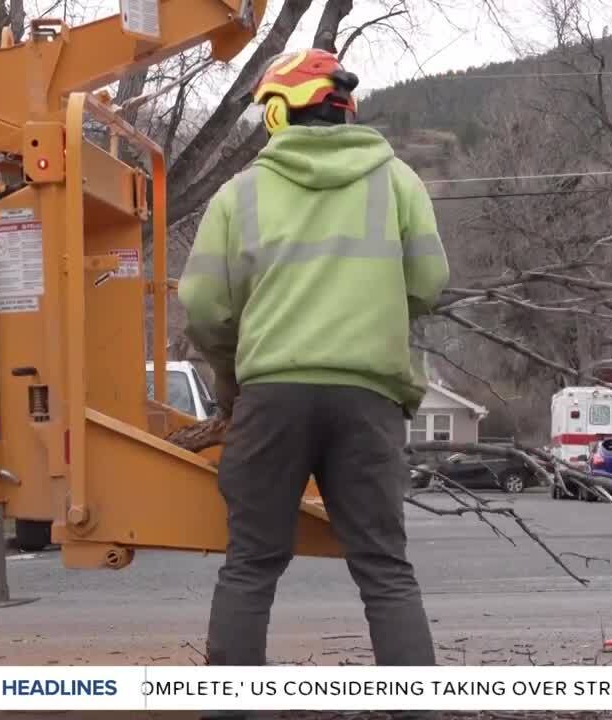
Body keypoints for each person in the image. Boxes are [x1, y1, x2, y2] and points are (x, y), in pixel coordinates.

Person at [177, 48, 450, 670]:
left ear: (277, 113)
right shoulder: (399, 182)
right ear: (345, 109)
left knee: (250, 566)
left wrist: (232, 379)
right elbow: (430, 283)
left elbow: (203, 308)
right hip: (369, 401)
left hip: (271, 400)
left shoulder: (238, 196)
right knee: (384, 568)